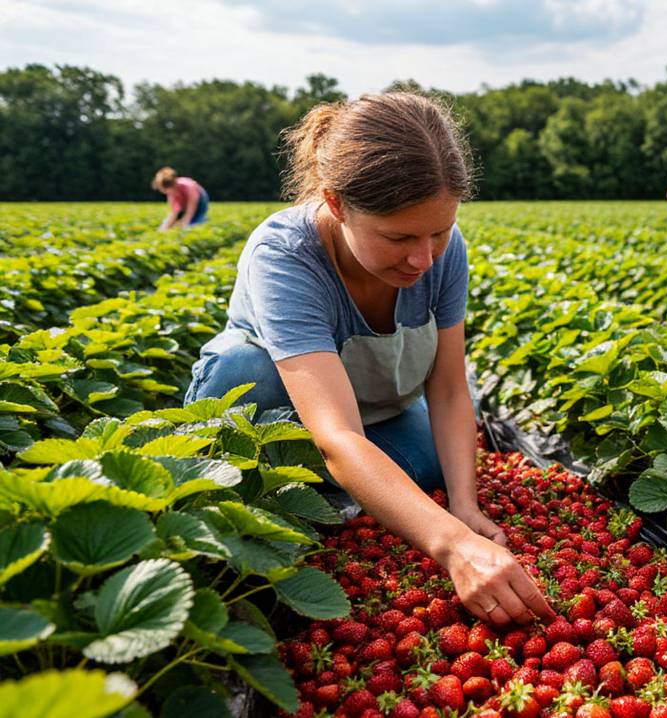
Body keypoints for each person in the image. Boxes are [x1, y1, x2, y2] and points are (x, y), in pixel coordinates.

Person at [185, 93, 554, 626]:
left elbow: (451, 389)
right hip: (289, 411)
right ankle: (290, 492)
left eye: (439, 232)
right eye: (399, 237)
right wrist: (451, 544)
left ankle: (342, 490)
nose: (423, 258)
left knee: (434, 459)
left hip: (378, 409)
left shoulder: (444, 253)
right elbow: (337, 434)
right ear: (336, 204)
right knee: (245, 372)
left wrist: (464, 505)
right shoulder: (285, 255)